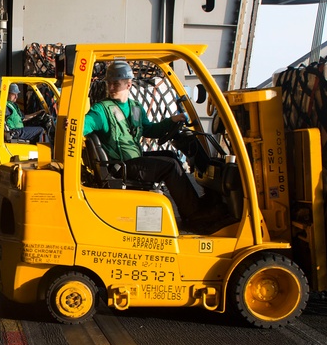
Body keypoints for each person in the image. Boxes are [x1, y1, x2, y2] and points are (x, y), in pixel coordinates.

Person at [83, 60, 223, 231]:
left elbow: (150, 130)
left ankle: (196, 204)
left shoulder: (135, 107)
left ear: (128, 84)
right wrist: (72, 125)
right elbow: (85, 123)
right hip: (120, 166)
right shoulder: (102, 110)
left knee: (171, 157)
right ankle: (194, 215)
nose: (111, 87)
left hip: (134, 160)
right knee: (170, 167)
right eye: (109, 83)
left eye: (115, 83)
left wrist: (172, 121)